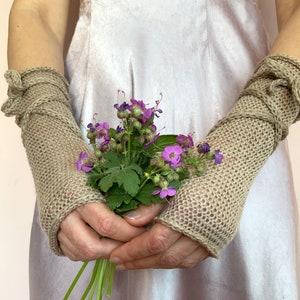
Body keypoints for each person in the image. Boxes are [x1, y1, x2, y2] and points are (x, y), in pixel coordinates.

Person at [2, 0, 300, 299]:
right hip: (91, 139)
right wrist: (49, 141)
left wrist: (248, 139)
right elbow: (35, 11)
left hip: (239, 149)